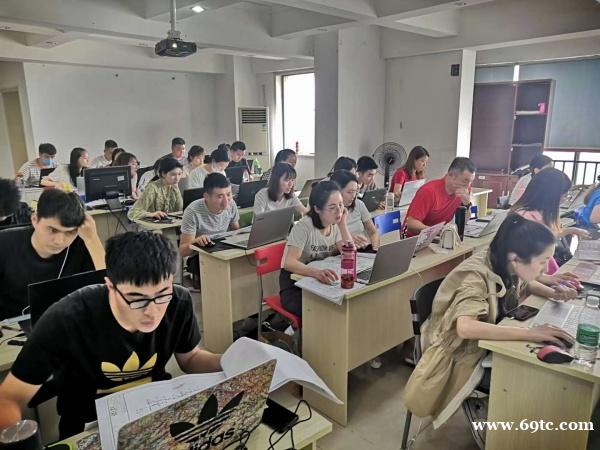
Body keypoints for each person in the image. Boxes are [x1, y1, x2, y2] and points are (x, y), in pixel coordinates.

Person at [0, 231, 221, 438]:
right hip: (88, 425)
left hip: (155, 412)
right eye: (137, 299)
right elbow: (9, 398)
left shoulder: (178, 301)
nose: (152, 311)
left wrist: (228, 360)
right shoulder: (66, 318)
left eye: (162, 294)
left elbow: (190, 358)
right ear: (110, 286)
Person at [402, 214, 575, 448]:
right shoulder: (475, 275)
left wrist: (553, 293)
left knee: (541, 370)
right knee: (536, 378)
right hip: (456, 355)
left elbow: (524, 281)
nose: (546, 269)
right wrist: (533, 333)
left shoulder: (504, 259)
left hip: (478, 344)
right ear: (516, 259)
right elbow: (465, 327)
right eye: (543, 261)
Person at [0, 189, 105, 319]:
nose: (59, 241)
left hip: (65, 320)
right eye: (53, 230)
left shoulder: (81, 243)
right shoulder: (4, 243)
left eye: (69, 232)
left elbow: (107, 287)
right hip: (11, 325)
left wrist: (92, 239)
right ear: (35, 219)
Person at [280, 180, 352, 317]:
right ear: (317, 209)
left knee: (345, 304)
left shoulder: (335, 224)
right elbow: (289, 263)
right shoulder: (303, 227)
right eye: (332, 207)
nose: (339, 211)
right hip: (295, 285)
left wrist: (343, 225)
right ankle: (294, 328)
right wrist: (316, 273)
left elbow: (349, 255)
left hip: (320, 281)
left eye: (341, 205)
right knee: (327, 310)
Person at [511, 167, 589, 274]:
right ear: (551, 195)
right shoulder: (527, 218)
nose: (565, 199)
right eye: (564, 195)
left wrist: (572, 230)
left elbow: (548, 236)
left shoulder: (539, 212)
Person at [404, 157, 475, 237]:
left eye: (471, 181)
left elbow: (464, 222)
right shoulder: (429, 191)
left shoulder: (464, 190)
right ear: (451, 175)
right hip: (416, 238)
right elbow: (411, 224)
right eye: (465, 181)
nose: (468, 185)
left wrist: (467, 204)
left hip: (438, 237)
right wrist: (438, 231)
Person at [179, 173, 240, 256]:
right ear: (206, 196)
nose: (226, 201)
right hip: (200, 255)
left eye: (229, 194)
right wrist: (195, 242)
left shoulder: (231, 204)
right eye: (220, 196)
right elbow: (183, 251)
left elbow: (236, 231)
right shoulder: (192, 211)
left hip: (224, 251)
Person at [330, 170, 380, 251]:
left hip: (363, 251)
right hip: (342, 254)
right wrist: (347, 242)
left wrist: (375, 250)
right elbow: (325, 249)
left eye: (355, 191)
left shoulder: (358, 204)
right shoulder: (327, 212)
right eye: (349, 192)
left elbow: (373, 232)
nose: (353, 196)